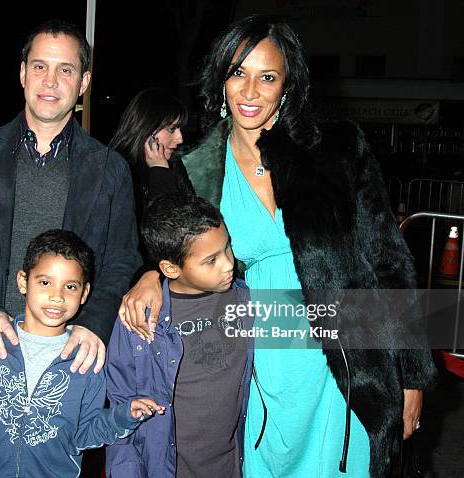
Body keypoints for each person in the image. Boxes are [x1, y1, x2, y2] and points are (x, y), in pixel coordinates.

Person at [118, 15, 437, 478]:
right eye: (237, 74)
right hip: (256, 357)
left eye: (267, 77)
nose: (250, 92)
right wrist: (150, 274)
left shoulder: (337, 150)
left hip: (345, 352)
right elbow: (180, 250)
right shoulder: (199, 167)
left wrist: (411, 374)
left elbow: (389, 260)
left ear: (288, 86)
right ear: (221, 80)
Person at [0, 19, 141, 477]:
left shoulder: (109, 169)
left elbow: (122, 258)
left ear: (83, 83)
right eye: (39, 66)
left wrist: (96, 325)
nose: (49, 81)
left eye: (65, 70)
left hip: (63, 368)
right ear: (22, 73)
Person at [0, 229, 164, 477]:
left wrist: (123, 416)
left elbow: (86, 433)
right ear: (23, 281)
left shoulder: (86, 358)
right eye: (45, 282)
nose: (57, 296)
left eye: (70, 287)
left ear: (84, 293)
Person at [105, 195, 253, 478]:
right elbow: (122, 409)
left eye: (227, 249)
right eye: (210, 261)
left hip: (234, 466)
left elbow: (345, 319)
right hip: (167, 469)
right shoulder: (139, 322)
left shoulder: (246, 299)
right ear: (171, 269)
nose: (227, 265)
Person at [109, 87, 187, 220]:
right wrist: (160, 172)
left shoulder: (176, 167)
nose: (180, 138)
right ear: (146, 129)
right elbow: (164, 227)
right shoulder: (115, 172)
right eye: (171, 129)